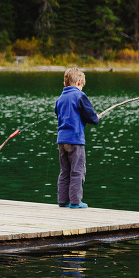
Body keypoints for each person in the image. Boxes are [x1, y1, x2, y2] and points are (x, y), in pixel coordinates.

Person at [55, 68, 99, 209]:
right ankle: (75, 201)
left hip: (62, 141)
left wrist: (82, 119)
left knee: (65, 171)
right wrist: (94, 118)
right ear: (79, 82)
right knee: (77, 170)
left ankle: (63, 200)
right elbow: (91, 116)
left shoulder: (60, 99)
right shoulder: (80, 96)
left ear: (65, 83)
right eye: (81, 85)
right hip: (75, 140)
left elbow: (62, 115)